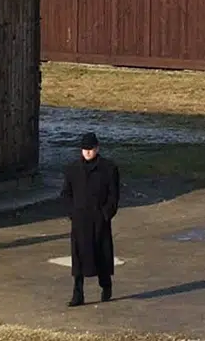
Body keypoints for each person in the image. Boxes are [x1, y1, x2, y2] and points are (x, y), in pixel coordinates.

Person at [60, 131, 120, 307]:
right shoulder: (72, 169)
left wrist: (105, 214)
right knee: (78, 259)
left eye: (91, 149)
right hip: (80, 220)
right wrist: (72, 213)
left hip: (99, 220)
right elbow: (66, 193)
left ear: (97, 148)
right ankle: (78, 294)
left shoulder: (108, 169)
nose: (87, 152)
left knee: (100, 255)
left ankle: (106, 285)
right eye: (84, 149)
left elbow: (113, 195)